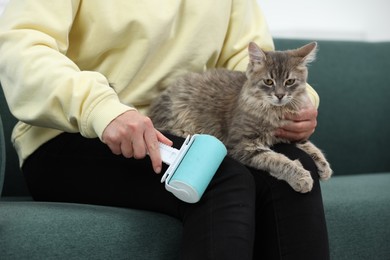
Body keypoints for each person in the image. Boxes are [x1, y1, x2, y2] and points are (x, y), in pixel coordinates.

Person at [0, 1, 329, 259]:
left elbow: (251, 65)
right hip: (75, 133)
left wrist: (298, 105)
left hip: (186, 132)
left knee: (295, 173)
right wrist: (101, 109)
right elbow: (21, 48)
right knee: (217, 177)